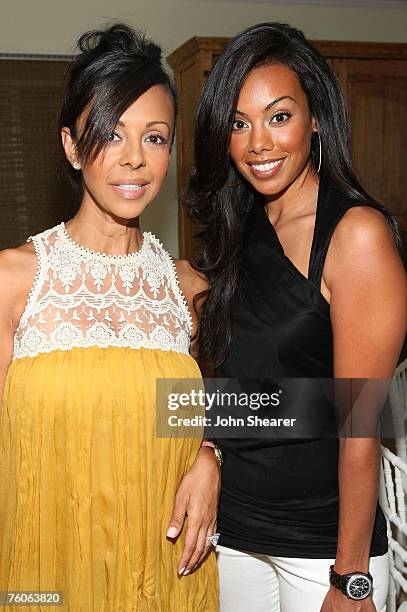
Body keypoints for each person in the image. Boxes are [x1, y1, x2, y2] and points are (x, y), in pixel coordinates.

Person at [188, 22, 406, 612]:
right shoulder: (241, 230)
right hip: (234, 535)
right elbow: (242, 385)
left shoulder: (355, 236)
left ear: (316, 118)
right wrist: (207, 447)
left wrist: (351, 578)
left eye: (278, 116)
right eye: (239, 123)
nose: (258, 143)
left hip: (324, 548)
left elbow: (360, 424)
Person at [0, 24, 219, 611]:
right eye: (110, 135)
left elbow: (203, 412)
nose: (133, 159)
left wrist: (208, 454)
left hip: (165, 566)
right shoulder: (15, 281)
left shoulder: (186, 288)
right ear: (72, 146)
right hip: (47, 574)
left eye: (154, 137)